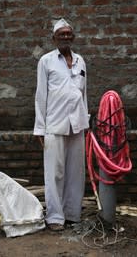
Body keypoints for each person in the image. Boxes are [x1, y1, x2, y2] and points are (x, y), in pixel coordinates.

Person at [34, 18, 89, 231]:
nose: (65, 37)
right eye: (61, 34)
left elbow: (84, 94)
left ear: (73, 37)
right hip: (54, 124)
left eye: (68, 34)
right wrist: (40, 127)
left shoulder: (80, 61)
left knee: (76, 172)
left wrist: (86, 120)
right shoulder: (46, 61)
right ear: (54, 38)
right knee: (55, 172)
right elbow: (40, 96)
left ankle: (73, 214)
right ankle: (55, 217)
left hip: (77, 124)